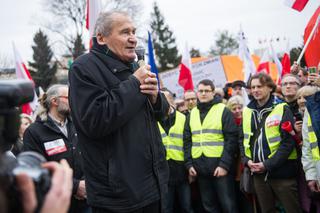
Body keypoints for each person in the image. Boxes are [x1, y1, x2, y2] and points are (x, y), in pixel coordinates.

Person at [68, 11, 169, 213]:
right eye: (124, 32)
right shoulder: (83, 68)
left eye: (134, 31)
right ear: (102, 38)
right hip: (118, 197)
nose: (133, 38)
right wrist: (134, 83)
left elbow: (164, 117)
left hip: (153, 187)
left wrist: (156, 99)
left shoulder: (134, 67)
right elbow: (94, 121)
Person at [240, 73, 301, 213]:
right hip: (257, 173)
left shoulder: (282, 108)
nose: (255, 90)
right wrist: (247, 161)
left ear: (270, 87)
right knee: (267, 210)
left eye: (259, 86)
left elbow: (288, 142)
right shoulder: (247, 111)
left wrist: (267, 165)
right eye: (252, 87)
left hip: (282, 171)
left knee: (292, 209)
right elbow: (242, 140)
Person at [23, 84, 89, 213]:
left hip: (85, 198)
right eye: (68, 97)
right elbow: (37, 168)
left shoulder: (77, 124)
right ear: (54, 101)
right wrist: (75, 186)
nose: (73, 101)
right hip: (56, 202)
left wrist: (85, 183)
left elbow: (89, 155)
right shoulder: (34, 132)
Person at [184, 79, 238, 213]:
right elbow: (187, 141)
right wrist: (189, 164)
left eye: (206, 91)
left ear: (213, 93)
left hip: (220, 167)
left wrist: (224, 165)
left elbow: (231, 140)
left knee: (228, 205)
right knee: (209, 206)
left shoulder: (223, 111)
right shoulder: (192, 114)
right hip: (200, 168)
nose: (203, 94)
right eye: (200, 91)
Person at [158, 88, 193, 213]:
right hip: (163, 174)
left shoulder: (183, 118)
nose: (160, 102)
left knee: (187, 207)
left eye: (164, 99)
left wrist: (190, 168)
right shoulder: (152, 120)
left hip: (182, 171)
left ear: (172, 101)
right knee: (166, 209)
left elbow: (189, 144)